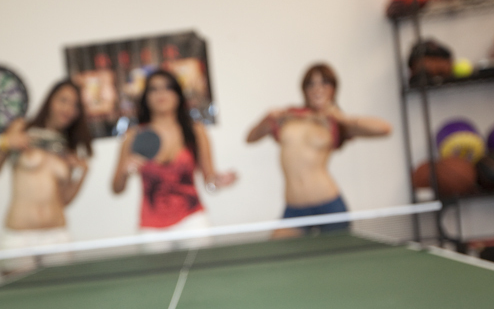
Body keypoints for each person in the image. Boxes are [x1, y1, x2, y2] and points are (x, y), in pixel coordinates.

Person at [246, 63, 392, 236]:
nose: (317, 88)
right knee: (276, 250)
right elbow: (250, 138)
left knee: (338, 254)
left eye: (324, 83)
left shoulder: (336, 122)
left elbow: (385, 129)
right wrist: (266, 118)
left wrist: (343, 118)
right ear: (304, 89)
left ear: (333, 89)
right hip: (295, 208)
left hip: (329, 206)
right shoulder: (290, 116)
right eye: (311, 83)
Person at [112, 70, 236, 247]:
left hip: (193, 220)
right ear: (146, 97)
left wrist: (219, 180)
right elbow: (116, 188)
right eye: (154, 89)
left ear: (178, 95)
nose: (161, 94)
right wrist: (125, 171)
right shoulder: (134, 136)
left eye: (168, 88)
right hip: (152, 227)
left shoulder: (196, 131)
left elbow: (209, 182)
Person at [0, 79, 92, 272]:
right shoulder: (21, 128)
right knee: (19, 292)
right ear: (50, 100)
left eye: (75, 105)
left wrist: (83, 172)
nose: (68, 109)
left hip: (57, 237)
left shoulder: (68, 146)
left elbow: (64, 200)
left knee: (62, 292)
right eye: (63, 100)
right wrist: (4, 144)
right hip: (19, 238)